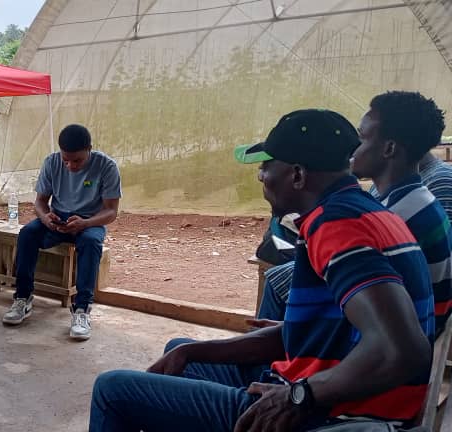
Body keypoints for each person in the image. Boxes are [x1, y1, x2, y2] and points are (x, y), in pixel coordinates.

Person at [89, 109, 434, 431]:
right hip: (340, 395)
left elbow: (403, 349)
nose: (261, 175)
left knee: (112, 390)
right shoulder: (363, 210)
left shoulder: (336, 225)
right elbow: (344, 331)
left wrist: (299, 395)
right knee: (180, 351)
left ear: (297, 175)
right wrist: (192, 350)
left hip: (336, 416)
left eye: (267, 166)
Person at [257, 92, 451, 332]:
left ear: (389, 149)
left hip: (396, 330)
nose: (352, 147)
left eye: (362, 137)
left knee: (278, 281)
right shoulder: (403, 197)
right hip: (399, 323)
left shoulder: (405, 210)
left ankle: (267, 367)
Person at [1, 124, 121, 340]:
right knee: (28, 233)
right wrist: (46, 217)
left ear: (90, 149)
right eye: (66, 160)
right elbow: (39, 202)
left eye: (77, 161)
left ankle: (82, 309)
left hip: (89, 221)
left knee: (91, 243)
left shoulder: (106, 166)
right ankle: (23, 298)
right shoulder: (52, 162)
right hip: (58, 218)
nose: (70, 166)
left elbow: (111, 211)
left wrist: (85, 223)